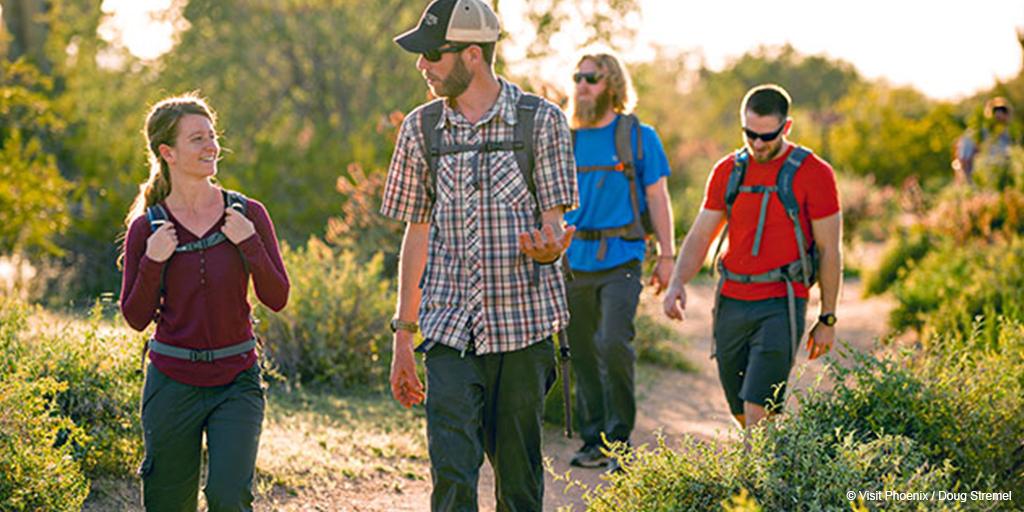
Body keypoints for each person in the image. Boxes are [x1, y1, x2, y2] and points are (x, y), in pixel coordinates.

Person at [381, 0, 577, 509]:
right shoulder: (420, 130)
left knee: (518, 481)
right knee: (452, 474)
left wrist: (548, 248)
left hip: (523, 330)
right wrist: (404, 335)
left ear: (472, 54)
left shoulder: (542, 122)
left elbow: (554, 222)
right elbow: (416, 232)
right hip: (447, 328)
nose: (422, 65)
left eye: (432, 55)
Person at [119, 93, 290, 511]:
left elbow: (277, 297)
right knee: (167, 502)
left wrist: (248, 241)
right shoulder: (148, 228)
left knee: (229, 497)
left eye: (212, 136)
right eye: (197, 139)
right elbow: (135, 317)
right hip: (171, 382)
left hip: (237, 379)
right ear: (168, 153)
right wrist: (154, 261)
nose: (211, 146)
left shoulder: (248, 213)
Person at [662, 84, 842, 429]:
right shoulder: (727, 171)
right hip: (731, 300)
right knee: (742, 410)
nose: (758, 144)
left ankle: (753, 482)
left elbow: (829, 251)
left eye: (768, 136)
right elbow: (702, 233)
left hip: (782, 302)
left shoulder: (815, 174)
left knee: (758, 406)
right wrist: (676, 283)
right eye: (750, 135)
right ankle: (774, 468)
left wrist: (828, 318)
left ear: (786, 127)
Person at [562, 52, 674, 471]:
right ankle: (594, 442)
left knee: (612, 343)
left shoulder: (639, 136)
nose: (582, 84)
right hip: (573, 261)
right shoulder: (565, 137)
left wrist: (667, 255)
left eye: (591, 77)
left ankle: (620, 440)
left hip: (623, 256)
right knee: (583, 352)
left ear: (612, 84)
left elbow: (657, 198)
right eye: (577, 77)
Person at [954, 96, 1017, 183]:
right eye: (996, 114)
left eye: (1002, 114)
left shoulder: (1008, 131)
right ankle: (968, 181)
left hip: (997, 163)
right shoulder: (982, 131)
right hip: (988, 163)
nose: (998, 118)